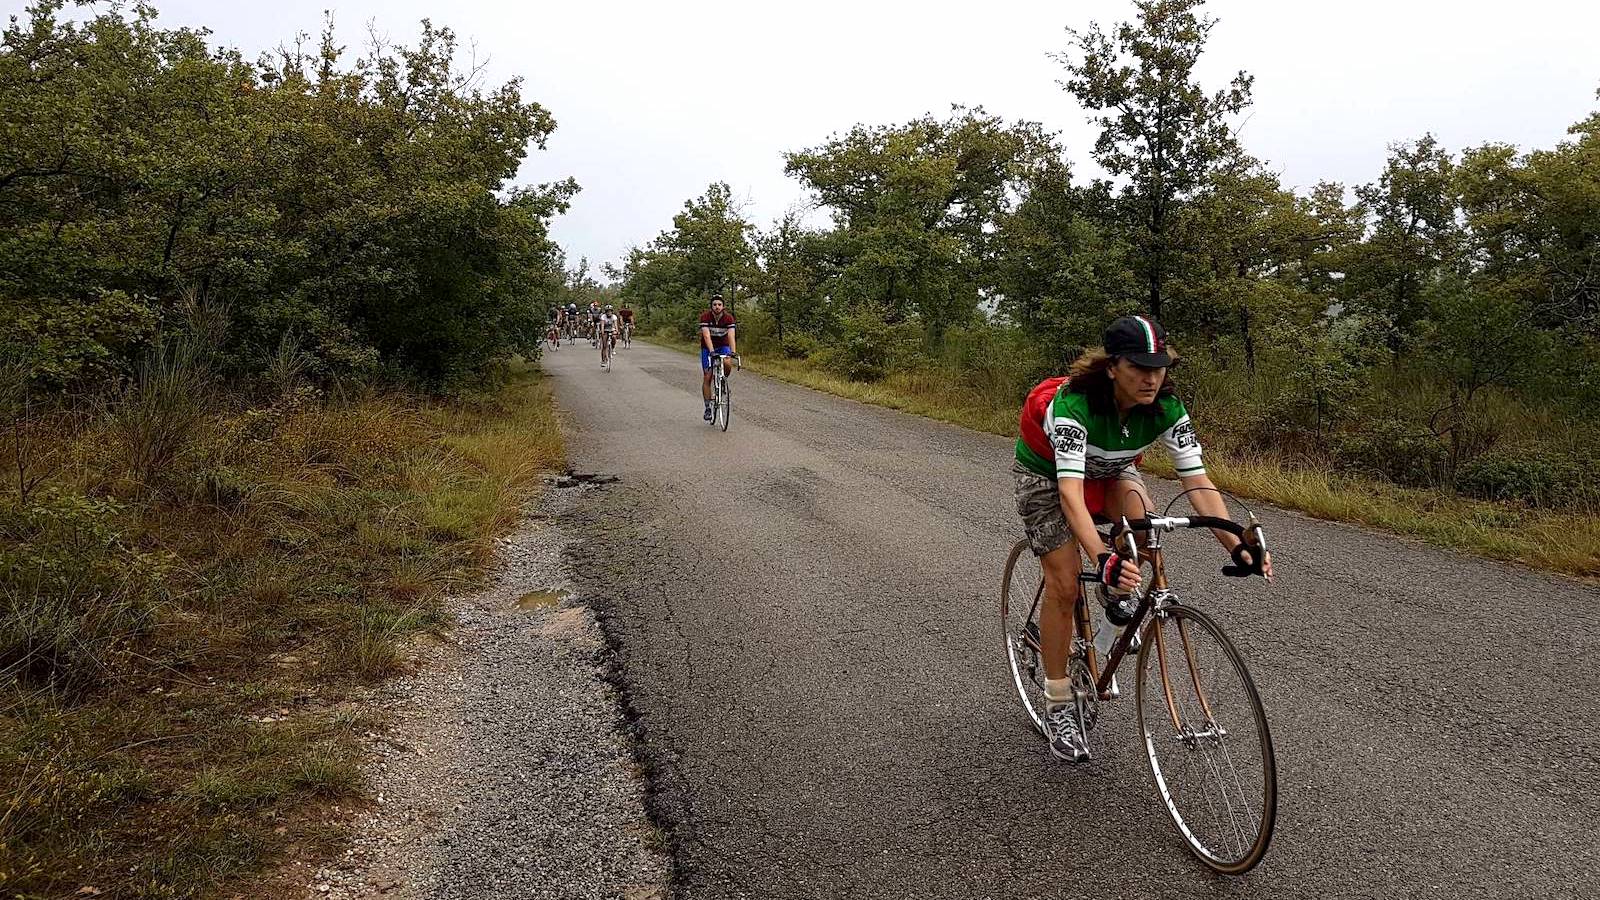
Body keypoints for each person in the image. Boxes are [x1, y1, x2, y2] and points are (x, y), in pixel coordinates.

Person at [1012, 315, 1273, 763]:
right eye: (1139, 367)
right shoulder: (1076, 405)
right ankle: (1057, 703)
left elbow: (1199, 484)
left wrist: (1237, 544)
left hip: (1112, 471)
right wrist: (1100, 554)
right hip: (1049, 478)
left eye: (1160, 366)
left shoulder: (1168, 409)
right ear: (1113, 367)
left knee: (1147, 535)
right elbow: (1071, 495)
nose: (1152, 377)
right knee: (1066, 581)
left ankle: (1115, 612)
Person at [698, 294, 737, 421]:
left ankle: (723, 381)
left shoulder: (728, 318)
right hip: (708, 347)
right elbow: (706, 336)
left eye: (719, 305)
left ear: (723, 306)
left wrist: (733, 351)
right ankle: (708, 407)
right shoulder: (705, 317)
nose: (717, 307)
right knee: (707, 376)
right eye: (714, 304)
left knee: (727, 362)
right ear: (711, 306)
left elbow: (731, 336)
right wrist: (712, 351)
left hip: (723, 345)